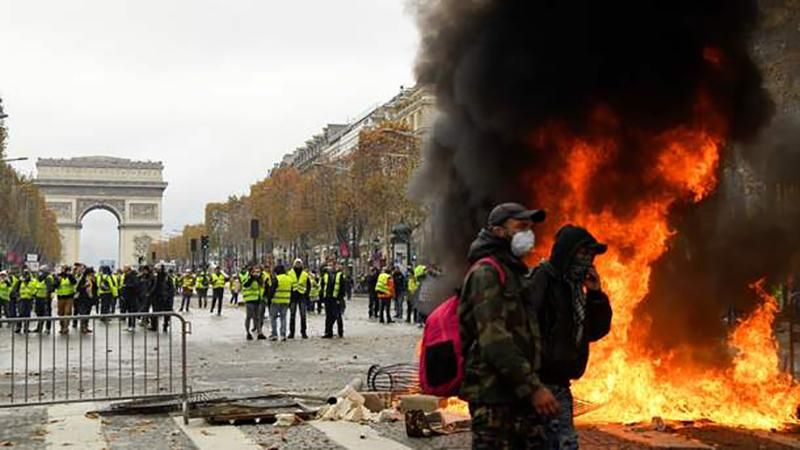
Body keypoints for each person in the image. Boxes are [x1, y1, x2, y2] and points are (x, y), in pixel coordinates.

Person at [459, 202, 557, 449]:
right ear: (498, 231)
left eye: (530, 227)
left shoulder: (513, 271)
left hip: (517, 398)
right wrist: (533, 387)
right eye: (521, 226)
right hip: (495, 401)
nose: (528, 233)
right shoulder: (486, 273)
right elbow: (494, 341)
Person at [532, 225, 612, 449]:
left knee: (565, 444)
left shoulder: (575, 289)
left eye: (590, 254)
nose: (587, 259)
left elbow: (595, 331)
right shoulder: (543, 279)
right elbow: (524, 329)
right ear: (567, 252)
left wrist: (595, 295)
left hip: (561, 386)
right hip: (539, 386)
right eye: (582, 252)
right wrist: (532, 385)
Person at [321, 261, 346, 338]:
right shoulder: (325, 275)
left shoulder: (339, 275)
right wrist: (322, 298)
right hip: (328, 298)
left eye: (332, 265)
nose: (330, 267)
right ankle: (328, 332)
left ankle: (340, 332)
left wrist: (340, 298)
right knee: (328, 316)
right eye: (329, 265)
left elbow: (342, 288)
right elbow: (322, 286)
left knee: (337, 315)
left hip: (336, 298)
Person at [241, 265, 266, 340]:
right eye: (253, 272)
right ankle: (248, 333)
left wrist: (259, 279)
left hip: (257, 299)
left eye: (257, 272)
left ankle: (259, 333)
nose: (255, 273)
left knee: (258, 317)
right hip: (249, 300)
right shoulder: (247, 277)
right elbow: (245, 285)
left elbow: (262, 286)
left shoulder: (259, 278)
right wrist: (251, 278)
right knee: (249, 317)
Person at [287, 258, 309, 339]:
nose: (298, 264)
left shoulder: (305, 274)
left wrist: (307, 295)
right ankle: (291, 332)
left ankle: (303, 332)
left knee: (303, 315)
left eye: (299, 263)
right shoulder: (290, 273)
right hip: (293, 297)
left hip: (302, 296)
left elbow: (308, 285)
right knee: (292, 315)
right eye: (297, 263)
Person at [271, 265, 292, 341]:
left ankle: (274, 335)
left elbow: (272, 290)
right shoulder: (289, 279)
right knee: (283, 318)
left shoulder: (276, 279)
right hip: (286, 301)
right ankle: (283, 335)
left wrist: (269, 299)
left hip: (276, 301)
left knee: (273, 318)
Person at [55, 265, 77, 335]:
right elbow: (55, 286)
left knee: (67, 312)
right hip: (60, 297)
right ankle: (61, 326)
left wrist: (69, 276)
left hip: (69, 297)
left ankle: (66, 327)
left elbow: (74, 282)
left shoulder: (70, 276)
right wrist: (58, 280)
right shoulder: (58, 276)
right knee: (61, 313)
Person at [33, 266, 55, 333]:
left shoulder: (48, 278)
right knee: (39, 313)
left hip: (45, 298)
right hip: (38, 297)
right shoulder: (39, 278)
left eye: (41, 271)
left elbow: (49, 289)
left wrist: (47, 297)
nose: (40, 273)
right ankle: (39, 327)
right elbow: (35, 286)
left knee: (47, 314)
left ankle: (47, 328)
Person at [75, 267, 96, 334]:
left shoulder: (93, 279)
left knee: (88, 313)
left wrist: (94, 282)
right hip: (82, 299)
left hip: (89, 299)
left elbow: (95, 289)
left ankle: (86, 326)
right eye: (91, 273)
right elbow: (78, 289)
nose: (93, 274)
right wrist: (85, 286)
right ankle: (82, 327)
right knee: (83, 313)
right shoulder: (83, 280)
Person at [120, 266, 140, 331]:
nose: (123, 269)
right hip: (127, 297)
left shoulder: (133, 276)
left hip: (132, 297)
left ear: (128, 269)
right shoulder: (126, 276)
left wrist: (127, 285)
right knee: (129, 311)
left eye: (124, 268)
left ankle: (133, 326)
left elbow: (136, 285)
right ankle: (129, 325)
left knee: (132, 311)